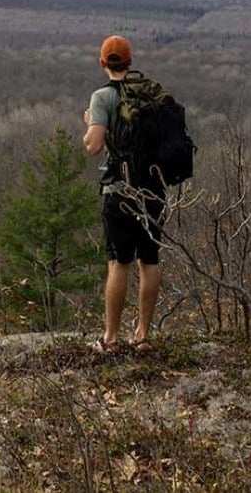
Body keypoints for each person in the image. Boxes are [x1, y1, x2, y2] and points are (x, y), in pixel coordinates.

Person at [81, 35, 165, 353]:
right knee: (150, 260)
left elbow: (93, 146)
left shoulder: (102, 97)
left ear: (103, 63)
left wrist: (90, 123)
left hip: (120, 189)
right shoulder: (150, 94)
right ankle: (143, 335)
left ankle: (111, 339)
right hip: (154, 189)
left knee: (118, 263)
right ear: (129, 62)